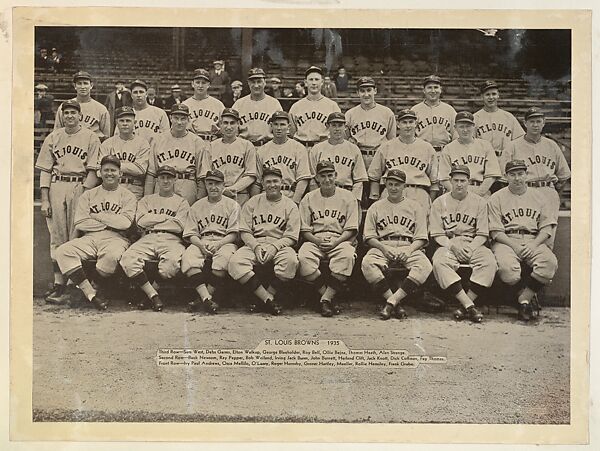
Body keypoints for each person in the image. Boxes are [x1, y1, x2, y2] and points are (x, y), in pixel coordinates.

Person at [35, 99, 101, 303]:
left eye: (74, 112)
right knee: (57, 236)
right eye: (67, 113)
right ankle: (58, 284)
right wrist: (45, 198)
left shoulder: (91, 137)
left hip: (79, 186)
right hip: (58, 185)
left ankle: (74, 286)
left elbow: (93, 170)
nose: (70, 116)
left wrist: (84, 194)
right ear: (62, 115)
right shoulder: (54, 137)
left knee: (76, 236)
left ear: (80, 115)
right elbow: (45, 171)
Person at [52, 155, 137, 310]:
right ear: (99, 172)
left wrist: (97, 216)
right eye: (106, 170)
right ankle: (91, 293)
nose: (109, 173)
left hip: (116, 238)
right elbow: (80, 222)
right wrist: (111, 221)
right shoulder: (89, 195)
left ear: (120, 174)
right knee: (63, 251)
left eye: (113, 170)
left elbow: (124, 223)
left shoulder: (128, 196)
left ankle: (95, 287)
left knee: (111, 256)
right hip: (90, 237)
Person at [488, 160, 559, 322]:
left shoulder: (539, 196)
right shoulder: (496, 198)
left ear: (527, 175)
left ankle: (523, 299)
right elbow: (496, 231)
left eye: (520, 174)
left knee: (549, 263)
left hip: (533, 239)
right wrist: (515, 246)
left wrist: (533, 245)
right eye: (512, 174)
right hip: (506, 240)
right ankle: (522, 299)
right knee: (508, 272)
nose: (517, 178)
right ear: (506, 177)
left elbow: (547, 229)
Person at [228, 166, 300, 316]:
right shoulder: (253, 202)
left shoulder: (290, 205)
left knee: (290, 261)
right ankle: (268, 299)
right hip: (256, 242)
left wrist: (275, 247)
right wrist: (255, 246)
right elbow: (245, 231)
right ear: (262, 183)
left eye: (275, 181)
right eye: (268, 182)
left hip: (279, 243)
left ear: (281, 182)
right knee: (235, 262)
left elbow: (291, 236)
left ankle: (265, 297)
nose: (272, 185)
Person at [361, 168, 431, 320]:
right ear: (385, 184)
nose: (393, 188)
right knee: (367, 263)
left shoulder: (415, 206)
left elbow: (421, 237)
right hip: (383, 245)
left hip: (408, 246)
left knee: (425, 265)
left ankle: (391, 302)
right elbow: (369, 236)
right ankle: (395, 302)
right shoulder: (376, 207)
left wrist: (409, 250)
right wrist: (383, 248)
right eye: (390, 184)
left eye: (397, 185)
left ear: (404, 186)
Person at [429, 165, 496, 323]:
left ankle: (465, 305)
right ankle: (469, 306)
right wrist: (452, 246)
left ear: (469, 182)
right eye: (456, 180)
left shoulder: (480, 202)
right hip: (448, 243)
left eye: (463, 181)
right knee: (439, 262)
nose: (459, 184)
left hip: (473, 242)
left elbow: (483, 234)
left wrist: (470, 248)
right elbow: (437, 234)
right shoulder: (440, 202)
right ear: (450, 181)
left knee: (489, 262)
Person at [120, 165, 190, 312]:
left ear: (175, 179)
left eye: (169, 178)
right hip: (148, 237)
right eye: (162, 178)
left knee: (169, 267)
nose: (165, 181)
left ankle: (149, 294)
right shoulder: (147, 200)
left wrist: (152, 219)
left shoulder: (181, 202)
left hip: (171, 239)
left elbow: (179, 226)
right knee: (127, 259)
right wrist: (166, 218)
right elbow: (141, 222)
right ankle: (153, 295)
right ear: (157, 180)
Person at [502, 107, 571, 248]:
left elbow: (563, 175)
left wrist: (553, 191)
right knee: (523, 234)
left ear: (544, 122)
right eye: (532, 121)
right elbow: (503, 177)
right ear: (525, 123)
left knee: (547, 238)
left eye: (538, 121)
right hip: (523, 192)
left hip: (547, 191)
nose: (535, 125)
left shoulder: (552, 145)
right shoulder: (512, 146)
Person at [297, 161, 359, 317]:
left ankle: (324, 299)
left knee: (347, 256)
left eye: (330, 175)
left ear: (336, 176)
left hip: (340, 238)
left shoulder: (348, 197)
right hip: (314, 239)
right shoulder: (308, 198)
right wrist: (317, 241)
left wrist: (336, 242)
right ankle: (328, 297)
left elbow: (351, 229)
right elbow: (304, 230)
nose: (327, 180)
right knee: (303, 258)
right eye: (323, 176)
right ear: (317, 178)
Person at [182, 169, 240, 314]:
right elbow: (191, 233)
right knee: (189, 258)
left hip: (224, 240)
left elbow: (234, 234)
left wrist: (219, 244)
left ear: (223, 185)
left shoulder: (232, 205)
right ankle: (208, 299)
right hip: (202, 240)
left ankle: (202, 298)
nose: (214, 187)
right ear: (206, 185)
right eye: (210, 183)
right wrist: (200, 245)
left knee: (224, 259)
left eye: (217, 184)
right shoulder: (197, 206)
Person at [368, 108, 438, 209]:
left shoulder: (427, 148)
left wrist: (430, 202)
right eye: (404, 122)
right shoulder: (386, 146)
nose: (408, 126)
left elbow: (434, 182)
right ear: (398, 124)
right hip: (391, 192)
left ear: (416, 123)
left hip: (418, 192)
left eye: (411, 122)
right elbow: (374, 177)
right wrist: (375, 199)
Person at [144, 103, 208, 205]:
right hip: (163, 183)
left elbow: (202, 177)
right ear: (170, 118)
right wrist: (147, 199)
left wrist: (199, 201)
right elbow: (151, 173)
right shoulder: (158, 140)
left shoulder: (197, 142)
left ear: (188, 120)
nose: (179, 122)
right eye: (176, 118)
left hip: (187, 183)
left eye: (183, 119)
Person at [473, 80, 525, 193]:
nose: (491, 97)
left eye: (493, 94)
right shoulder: (475, 118)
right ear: (482, 96)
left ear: (498, 95)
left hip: (504, 161)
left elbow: (520, 142)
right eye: (487, 94)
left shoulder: (508, 117)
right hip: (483, 165)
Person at [93, 106, 151, 201]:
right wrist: (130, 167)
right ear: (116, 123)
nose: (125, 124)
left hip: (134, 188)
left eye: (128, 121)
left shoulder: (143, 143)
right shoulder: (107, 143)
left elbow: (141, 169)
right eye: (121, 121)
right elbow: (99, 171)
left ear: (134, 123)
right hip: (110, 188)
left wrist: (113, 166)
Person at [438, 111, 501, 197]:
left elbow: (491, 176)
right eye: (461, 127)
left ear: (474, 126)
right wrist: (459, 194)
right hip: (455, 191)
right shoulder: (448, 149)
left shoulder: (485, 146)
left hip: (480, 189)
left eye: (468, 126)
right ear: (455, 128)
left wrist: (479, 193)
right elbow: (444, 179)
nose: (465, 130)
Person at [309, 112, 368, 204]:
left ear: (345, 127)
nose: (337, 129)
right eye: (333, 125)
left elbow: (359, 180)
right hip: (324, 193)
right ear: (328, 126)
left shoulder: (353, 149)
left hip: (347, 193)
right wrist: (317, 198)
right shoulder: (317, 149)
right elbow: (313, 178)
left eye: (340, 125)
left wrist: (353, 200)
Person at [201, 108, 257, 206]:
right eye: (225, 123)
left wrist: (233, 188)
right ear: (220, 125)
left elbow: (251, 175)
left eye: (232, 123)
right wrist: (221, 190)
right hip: (216, 195)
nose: (229, 127)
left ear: (238, 124)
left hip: (240, 194)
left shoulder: (247, 145)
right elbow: (206, 174)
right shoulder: (211, 146)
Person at [254, 111, 311, 204]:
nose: (279, 128)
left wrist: (295, 201)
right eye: (276, 124)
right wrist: (257, 202)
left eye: (282, 124)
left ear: (288, 127)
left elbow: (303, 179)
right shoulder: (262, 150)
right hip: (266, 196)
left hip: (289, 194)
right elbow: (257, 183)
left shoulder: (298, 148)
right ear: (271, 126)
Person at [345, 76, 396, 170]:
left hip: (379, 156)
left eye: (369, 90)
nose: (366, 94)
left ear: (375, 91)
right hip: (357, 156)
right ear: (357, 93)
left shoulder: (387, 113)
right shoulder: (350, 114)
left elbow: (392, 140)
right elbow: (345, 139)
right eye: (362, 91)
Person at [289, 66, 341, 150]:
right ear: (305, 82)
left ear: (322, 82)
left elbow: (338, 131)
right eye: (311, 79)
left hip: (324, 148)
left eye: (316, 80)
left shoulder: (332, 106)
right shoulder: (296, 106)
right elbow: (292, 132)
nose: (314, 83)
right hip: (302, 148)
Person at [233, 67, 283, 147]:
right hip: (244, 147)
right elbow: (233, 130)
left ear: (265, 82)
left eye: (259, 81)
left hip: (267, 147)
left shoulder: (274, 104)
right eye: (253, 82)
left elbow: (281, 129)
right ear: (248, 83)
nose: (256, 85)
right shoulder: (239, 104)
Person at [54, 71, 110, 140]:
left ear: (91, 85)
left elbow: (106, 137)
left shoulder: (101, 109)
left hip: (92, 146)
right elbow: (57, 133)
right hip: (70, 145)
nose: (82, 87)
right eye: (79, 84)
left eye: (85, 83)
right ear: (75, 86)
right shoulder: (64, 106)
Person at [411, 75, 457, 152]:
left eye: (436, 87)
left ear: (440, 90)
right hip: (421, 151)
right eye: (429, 87)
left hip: (443, 152)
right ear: (424, 90)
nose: (433, 91)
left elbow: (456, 135)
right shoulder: (415, 110)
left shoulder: (450, 110)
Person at [122, 79, 169, 146]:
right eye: (135, 92)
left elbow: (166, 138)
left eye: (141, 92)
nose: (138, 95)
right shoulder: (125, 114)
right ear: (131, 95)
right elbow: (118, 137)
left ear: (146, 94)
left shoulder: (159, 113)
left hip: (153, 152)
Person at [183, 68, 225, 142]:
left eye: (203, 82)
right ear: (192, 84)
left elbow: (224, 128)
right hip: (191, 142)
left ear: (208, 85)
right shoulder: (185, 105)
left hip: (212, 142)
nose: (200, 85)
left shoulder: (218, 104)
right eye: (197, 82)